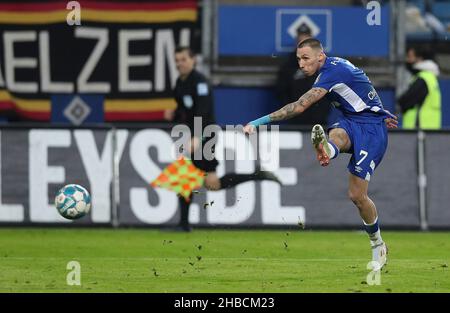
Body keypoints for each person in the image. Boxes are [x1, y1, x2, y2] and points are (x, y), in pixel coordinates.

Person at [243, 39, 398, 269]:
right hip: (352, 121)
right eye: (298, 59)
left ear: (320, 57)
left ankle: (377, 244)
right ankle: (328, 149)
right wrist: (379, 109)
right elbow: (362, 85)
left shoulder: (331, 72)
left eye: (306, 58)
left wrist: (258, 122)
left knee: (357, 195)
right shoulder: (334, 67)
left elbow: (299, 106)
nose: (301, 64)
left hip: (372, 132)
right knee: (337, 132)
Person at [164, 46, 281, 232]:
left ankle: (184, 225)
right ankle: (184, 224)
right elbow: (186, 111)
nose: (180, 64)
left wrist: (196, 136)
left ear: (193, 60)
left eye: (183, 59)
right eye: (177, 60)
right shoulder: (180, 82)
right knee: (198, 180)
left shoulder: (200, 82)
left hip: (205, 135)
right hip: (192, 136)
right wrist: (175, 113)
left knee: (201, 180)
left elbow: (203, 111)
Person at [275, 24, 330, 126]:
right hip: (295, 121)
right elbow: (281, 91)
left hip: (319, 121)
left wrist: (321, 113)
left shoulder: (323, 63)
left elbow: (330, 90)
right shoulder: (289, 65)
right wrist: (291, 112)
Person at [398, 45, 441, 129]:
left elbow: (406, 100)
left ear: (420, 59)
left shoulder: (423, 78)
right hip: (428, 131)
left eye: (410, 57)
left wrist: (401, 101)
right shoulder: (430, 77)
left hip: (420, 130)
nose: (407, 60)